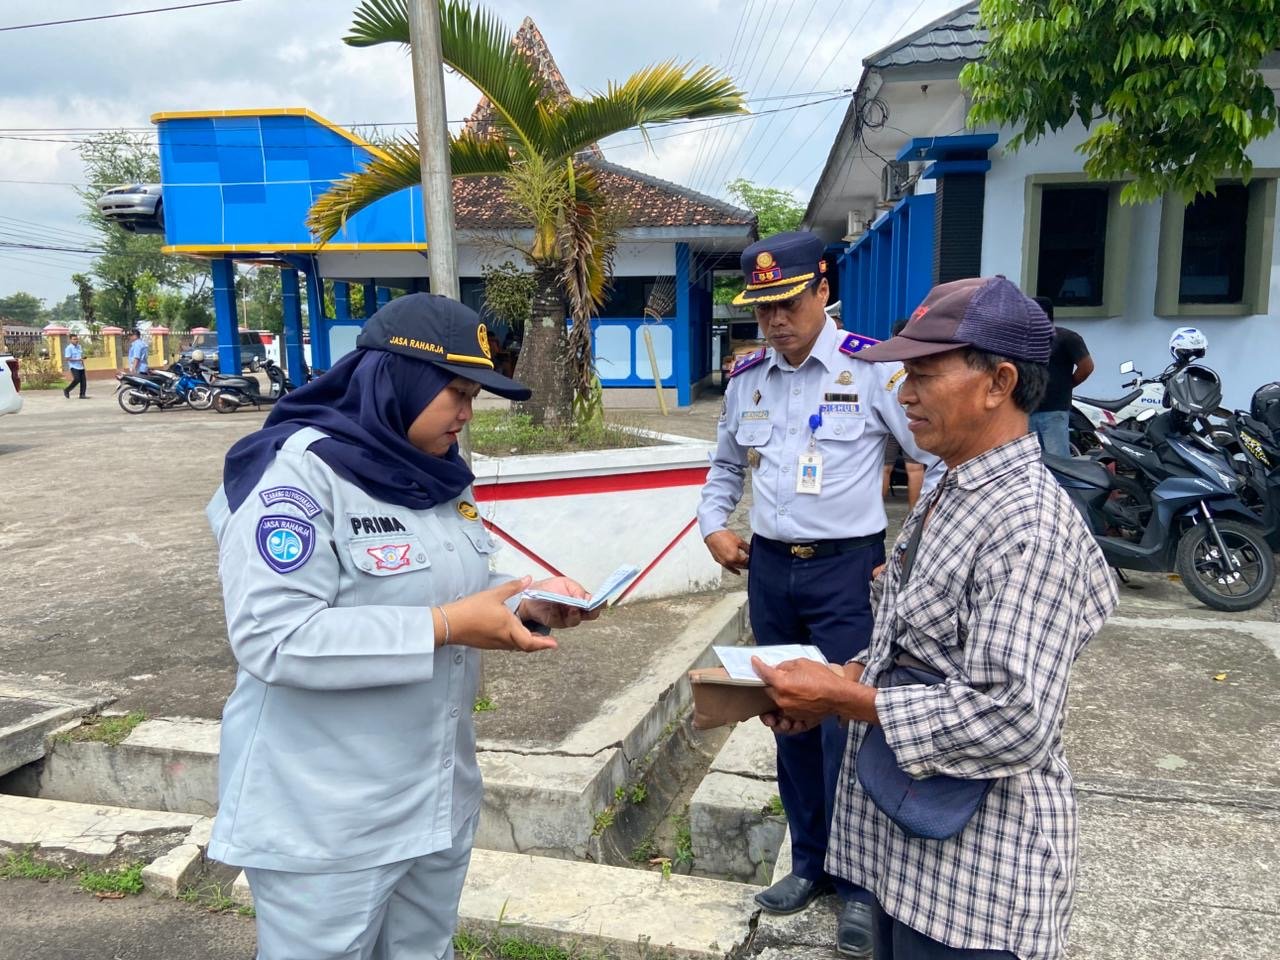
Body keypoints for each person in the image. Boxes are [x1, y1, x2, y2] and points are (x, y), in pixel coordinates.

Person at [205, 293, 600, 960]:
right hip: (328, 814)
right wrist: (446, 624)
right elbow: (274, 638)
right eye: (456, 393)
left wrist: (522, 607)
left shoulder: (437, 475)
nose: (468, 414)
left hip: (434, 797)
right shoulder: (299, 476)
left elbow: (454, 596)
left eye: (474, 394)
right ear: (399, 378)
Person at [753, 276, 1118, 960]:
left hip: (979, 885)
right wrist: (835, 689)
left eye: (923, 374)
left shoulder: (1026, 526)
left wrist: (848, 699)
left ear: (998, 382)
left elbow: (1012, 720)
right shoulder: (954, 484)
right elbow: (910, 643)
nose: (904, 393)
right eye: (902, 374)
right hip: (912, 853)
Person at [698, 231, 940, 959]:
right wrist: (713, 526)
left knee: (853, 723)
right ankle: (808, 862)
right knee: (786, 717)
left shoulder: (871, 369)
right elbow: (721, 469)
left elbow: (927, 461)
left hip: (850, 575)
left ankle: (864, 887)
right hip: (770, 570)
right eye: (763, 306)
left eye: (789, 301)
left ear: (823, 290)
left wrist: (908, 558)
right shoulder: (747, 379)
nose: (775, 319)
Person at [1028, 296, 1092, 456]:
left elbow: (1086, 367)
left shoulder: (1067, 338)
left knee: (1059, 464)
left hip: (1054, 411)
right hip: (1027, 410)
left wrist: (1066, 386)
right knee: (1033, 462)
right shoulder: (1026, 340)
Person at [880, 321, 923, 509]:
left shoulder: (885, 360)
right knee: (915, 468)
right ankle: (913, 518)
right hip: (911, 419)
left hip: (887, 421)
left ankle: (876, 511)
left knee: (883, 468)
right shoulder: (918, 358)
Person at [63, 333, 88, 399]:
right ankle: (67, 390)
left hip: (81, 366)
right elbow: (67, 358)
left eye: (76, 339)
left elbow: (80, 356)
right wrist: (77, 359)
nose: (76, 340)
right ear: (70, 340)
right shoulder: (69, 348)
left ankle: (82, 394)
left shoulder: (79, 346)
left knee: (83, 381)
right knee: (77, 379)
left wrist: (82, 359)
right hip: (74, 366)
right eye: (74, 339)